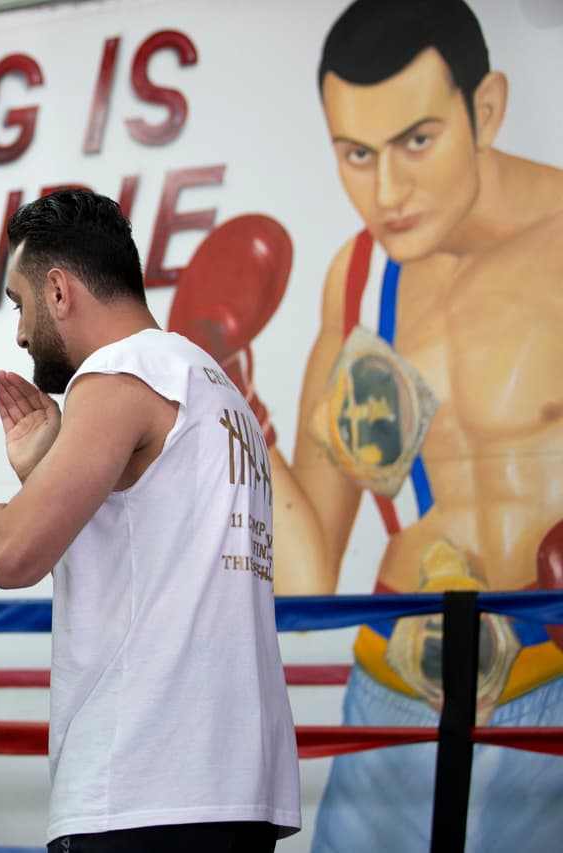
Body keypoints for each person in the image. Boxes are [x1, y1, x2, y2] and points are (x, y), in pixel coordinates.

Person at [217, 1, 563, 850]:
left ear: (485, 110)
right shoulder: (361, 279)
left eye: (417, 140)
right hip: (392, 692)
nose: (388, 192)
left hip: (551, 684)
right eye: (357, 155)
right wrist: (233, 398)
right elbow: (304, 576)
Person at [0, 189, 301, 852]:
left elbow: (10, 554)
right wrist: (47, 466)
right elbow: (145, 548)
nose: (19, 333)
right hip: (231, 788)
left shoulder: (118, 373)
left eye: (19, 304)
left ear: (57, 290)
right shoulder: (213, 386)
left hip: (143, 787)